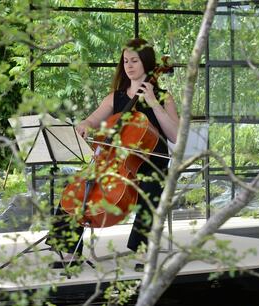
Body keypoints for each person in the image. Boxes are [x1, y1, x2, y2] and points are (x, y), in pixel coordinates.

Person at [49, 38, 179, 271]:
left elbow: (176, 135)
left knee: (151, 188)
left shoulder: (163, 97)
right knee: (78, 185)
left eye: (135, 61)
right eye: (125, 61)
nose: (129, 65)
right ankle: (69, 249)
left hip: (151, 165)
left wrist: (153, 103)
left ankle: (142, 251)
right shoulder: (115, 97)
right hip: (117, 162)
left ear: (147, 63)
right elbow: (91, 119)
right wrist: (85, 125)